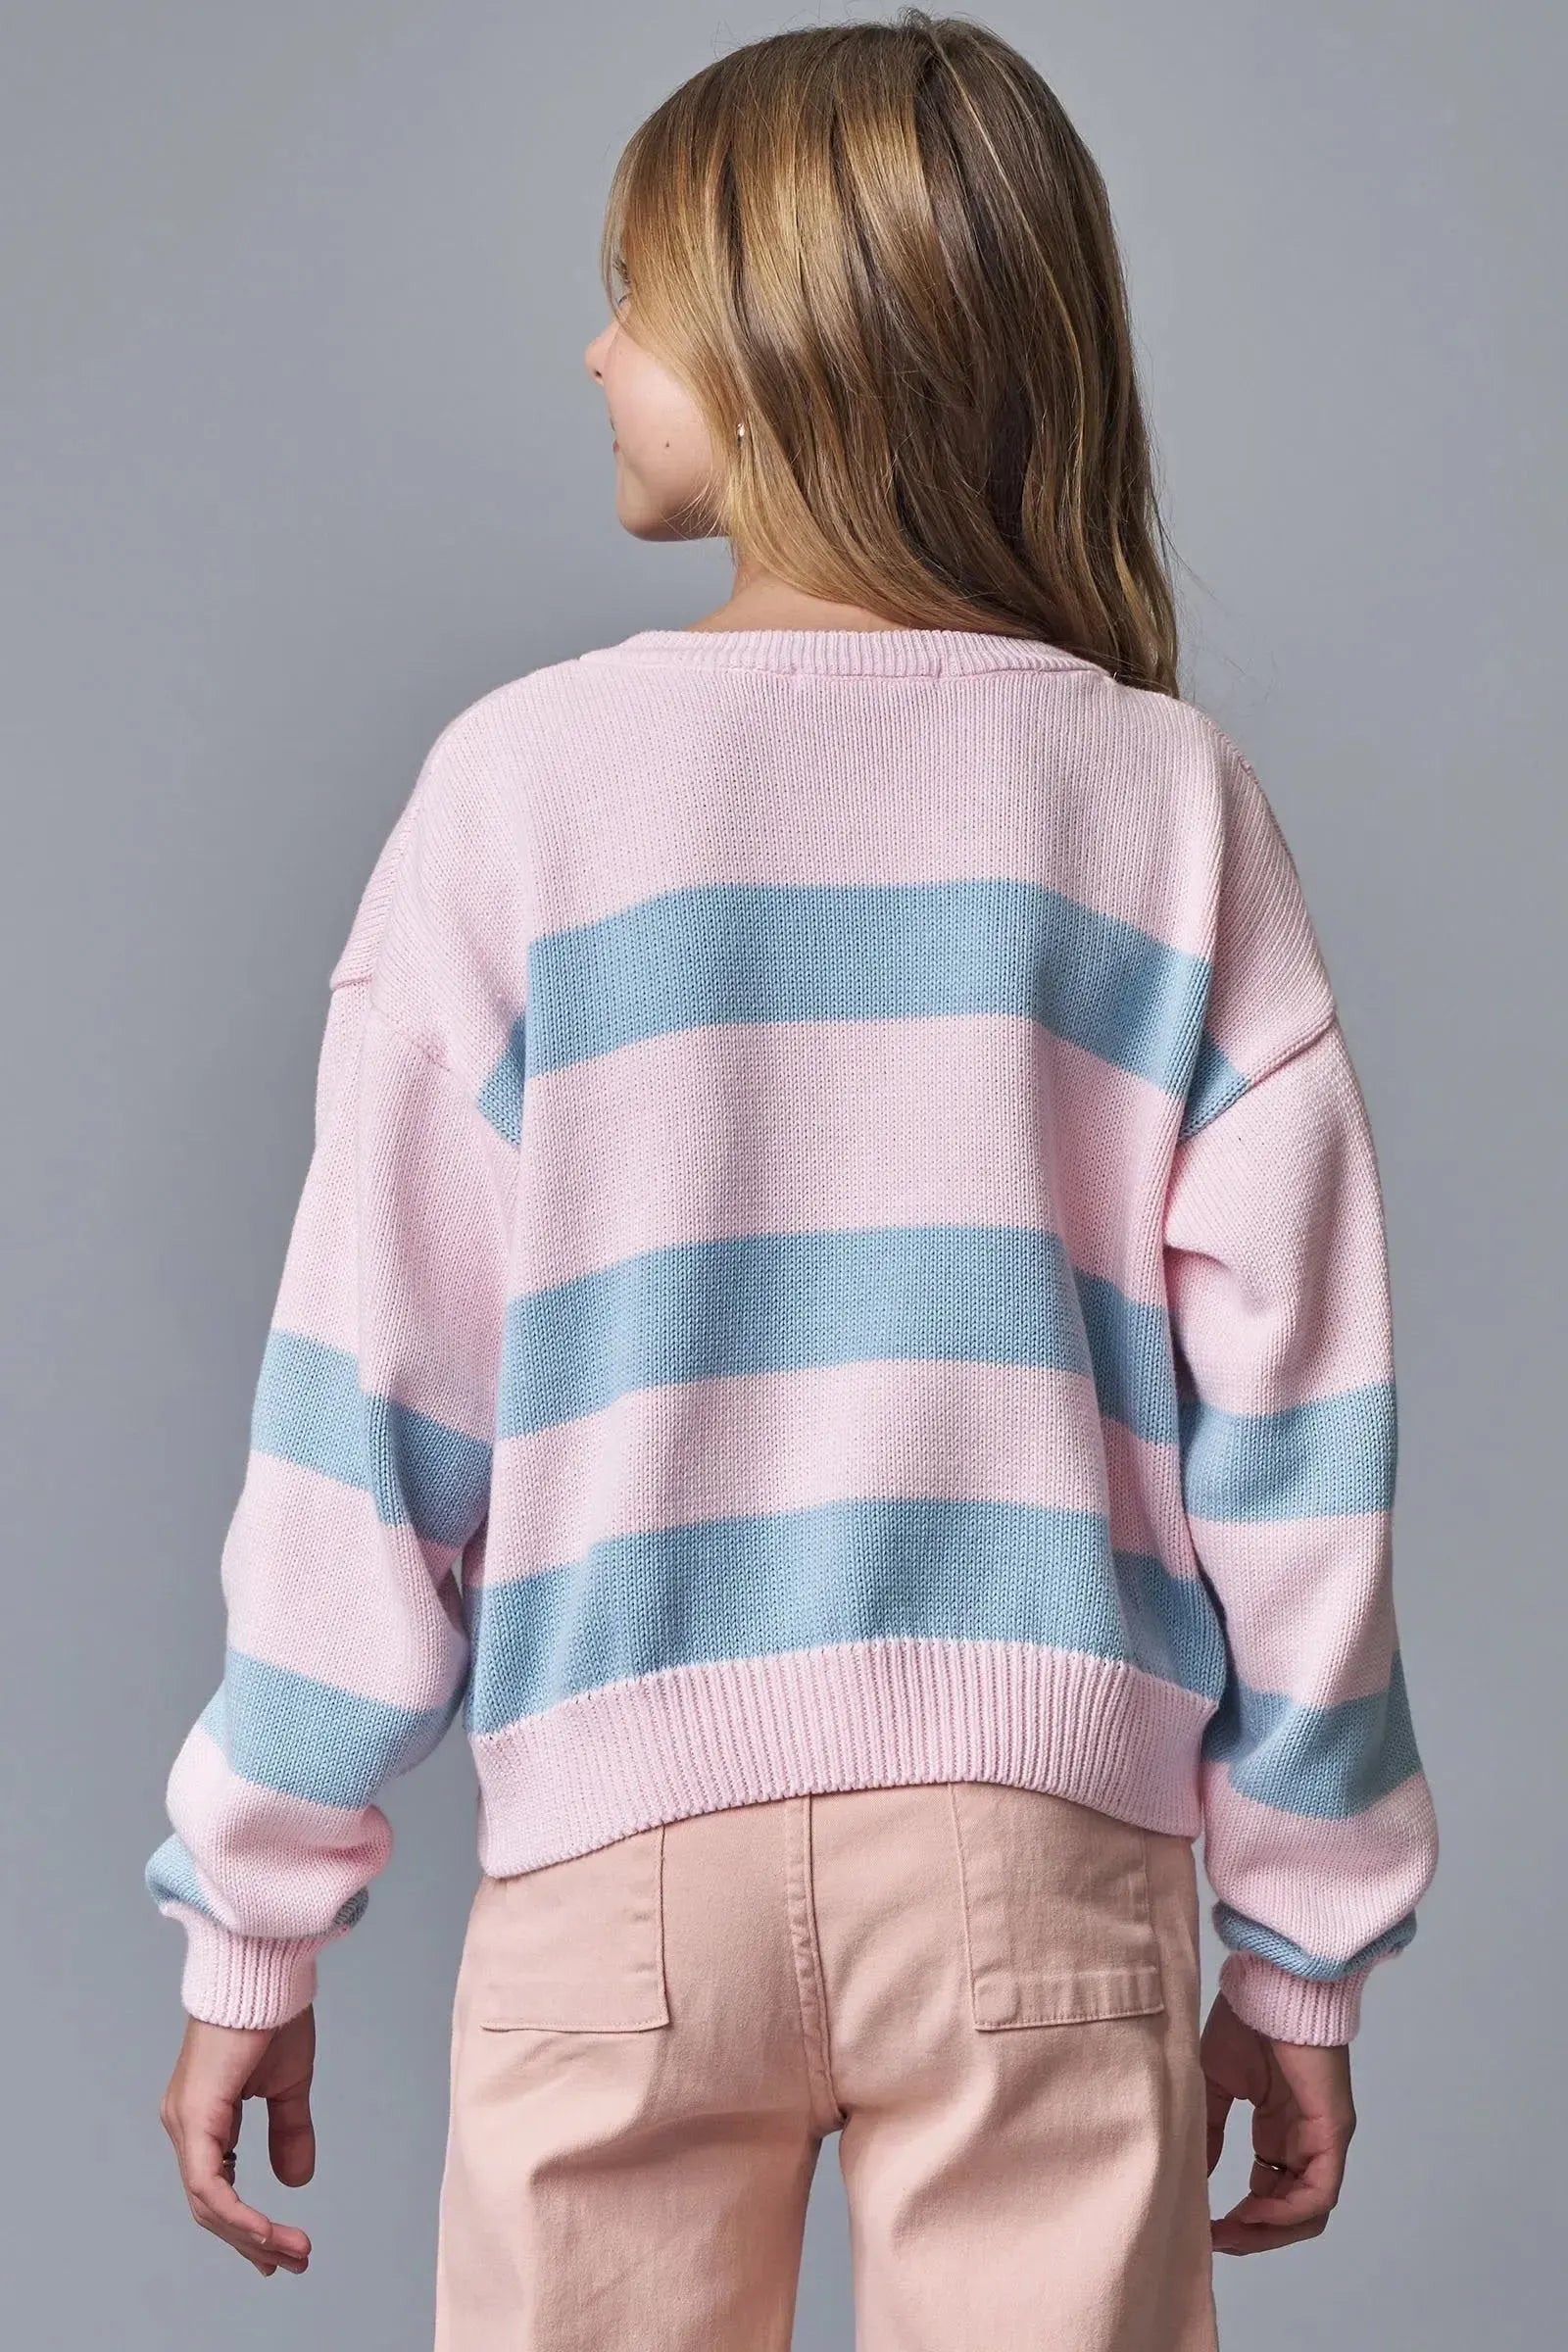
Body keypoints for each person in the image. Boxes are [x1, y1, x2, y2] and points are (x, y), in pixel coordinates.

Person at [148, 13, 1439, 2346]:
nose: (592, 353)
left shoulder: (522, 790)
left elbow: (373, 1402)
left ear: (781, 346)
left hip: (619, 1860)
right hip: (1039, 1861)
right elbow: (1297, 1443)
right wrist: (1300, 1941)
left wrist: (257, 1900)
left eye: (630, 300)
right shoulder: (1163, 805)